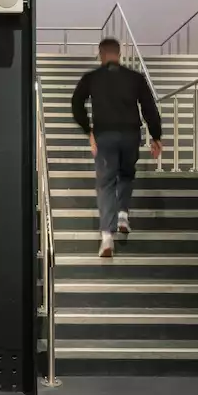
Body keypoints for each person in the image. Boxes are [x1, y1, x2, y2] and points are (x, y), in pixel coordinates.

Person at [70, 38, 163, 258]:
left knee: (106, 183)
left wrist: (88, 130)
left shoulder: (91, 78)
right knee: (127, 175)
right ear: (119, 54)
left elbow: (76, 103)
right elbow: (149, 107)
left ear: (101, 54)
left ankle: (107, 236)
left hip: (105, 135)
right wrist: (156, 136)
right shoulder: (135, 78)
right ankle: (122, 214)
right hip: (131, 135)